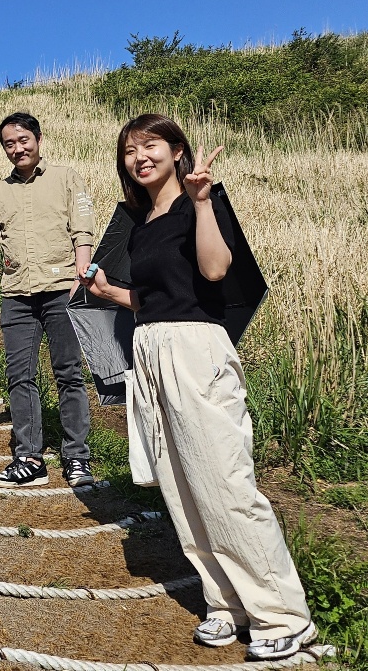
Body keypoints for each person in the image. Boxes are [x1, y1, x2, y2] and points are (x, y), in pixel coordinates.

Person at [86, 113, 316, 661]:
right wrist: (111, 294)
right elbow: (154, 298)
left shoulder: (197, 204)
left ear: (177, 151)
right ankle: (226, 601)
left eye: (151, 146)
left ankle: (283, 614)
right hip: (150, 348)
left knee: (226, 484)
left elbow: (215, 272)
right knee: (182, 487)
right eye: (129, 151)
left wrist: (205, 201)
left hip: (196, 349)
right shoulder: (141, 224)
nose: (139, 157)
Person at [0, 112, 95, 489]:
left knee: (68, 374)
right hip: (16, 293)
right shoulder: (0, 190)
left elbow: (83, 229)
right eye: (9, 144)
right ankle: (29, 458)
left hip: (62, 287)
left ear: (38, 138)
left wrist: (80, 278)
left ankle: (77, 458)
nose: (17, 149)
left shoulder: (66, 177)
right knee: (19, 377)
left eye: (23, 140)